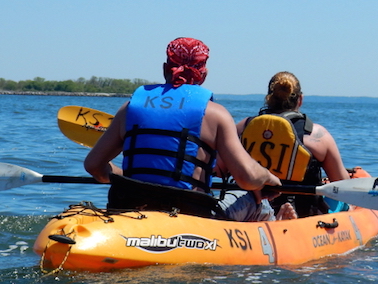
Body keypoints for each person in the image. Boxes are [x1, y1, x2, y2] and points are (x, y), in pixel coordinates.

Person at [84, 37, 281, 221]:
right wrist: (268, 177)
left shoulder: (128, 109)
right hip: (190, 217)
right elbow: (247, 178)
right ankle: (281, 228)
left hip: (131, 211)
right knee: (253, 199)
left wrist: (128, 181)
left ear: (165, 69)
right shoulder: (216, 115)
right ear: (203, 73)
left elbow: (94, 166)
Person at [236, 71, 350, 218]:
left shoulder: (242, 127)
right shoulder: (317, 135)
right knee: (345, 202)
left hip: (253, 211)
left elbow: (221, 168)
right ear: (300, 99)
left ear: (268, 98)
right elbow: (343, 185)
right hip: (304, 216)